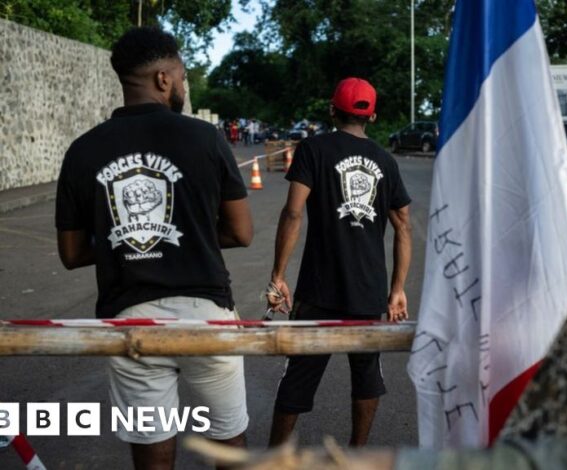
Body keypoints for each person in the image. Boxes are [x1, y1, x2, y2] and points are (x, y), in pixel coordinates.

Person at [55, 26, 253, 469]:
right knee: (228, 444)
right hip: (207, 316)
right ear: (164, 79)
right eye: (181, 76)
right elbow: (241, 232)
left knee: (152, 455)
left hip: (130, 321)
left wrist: (121, 242)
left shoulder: (82, 151)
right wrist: (188, 232)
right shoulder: (205, 138)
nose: (183, 85)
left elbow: (71, 253)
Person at [266, 77, 412, 447]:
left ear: (332, 109)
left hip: (319, 288)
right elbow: (403, 226)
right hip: (369, 291)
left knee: (299, 375)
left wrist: (278, 275)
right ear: (373, 116)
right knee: (366, 374)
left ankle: (275, 456)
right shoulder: (385, 160)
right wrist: (396, 290)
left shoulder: (313, 149)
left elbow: (293, 213)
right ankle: (357, 454)